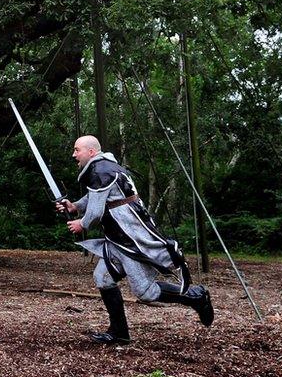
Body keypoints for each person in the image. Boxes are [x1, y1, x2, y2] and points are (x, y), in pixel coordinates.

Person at [57, 135, 213, 344]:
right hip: (117, 238)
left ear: (91, 152)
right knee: (103, 278)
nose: (74, 154)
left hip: (130, 238)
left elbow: (95, 212)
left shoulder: (100, 170)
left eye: (77, 150)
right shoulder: (105, 167)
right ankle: (119, 333)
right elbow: (97, 196)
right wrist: (75, 206)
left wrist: (82, 223)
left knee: (145, 292)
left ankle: (195, 296)